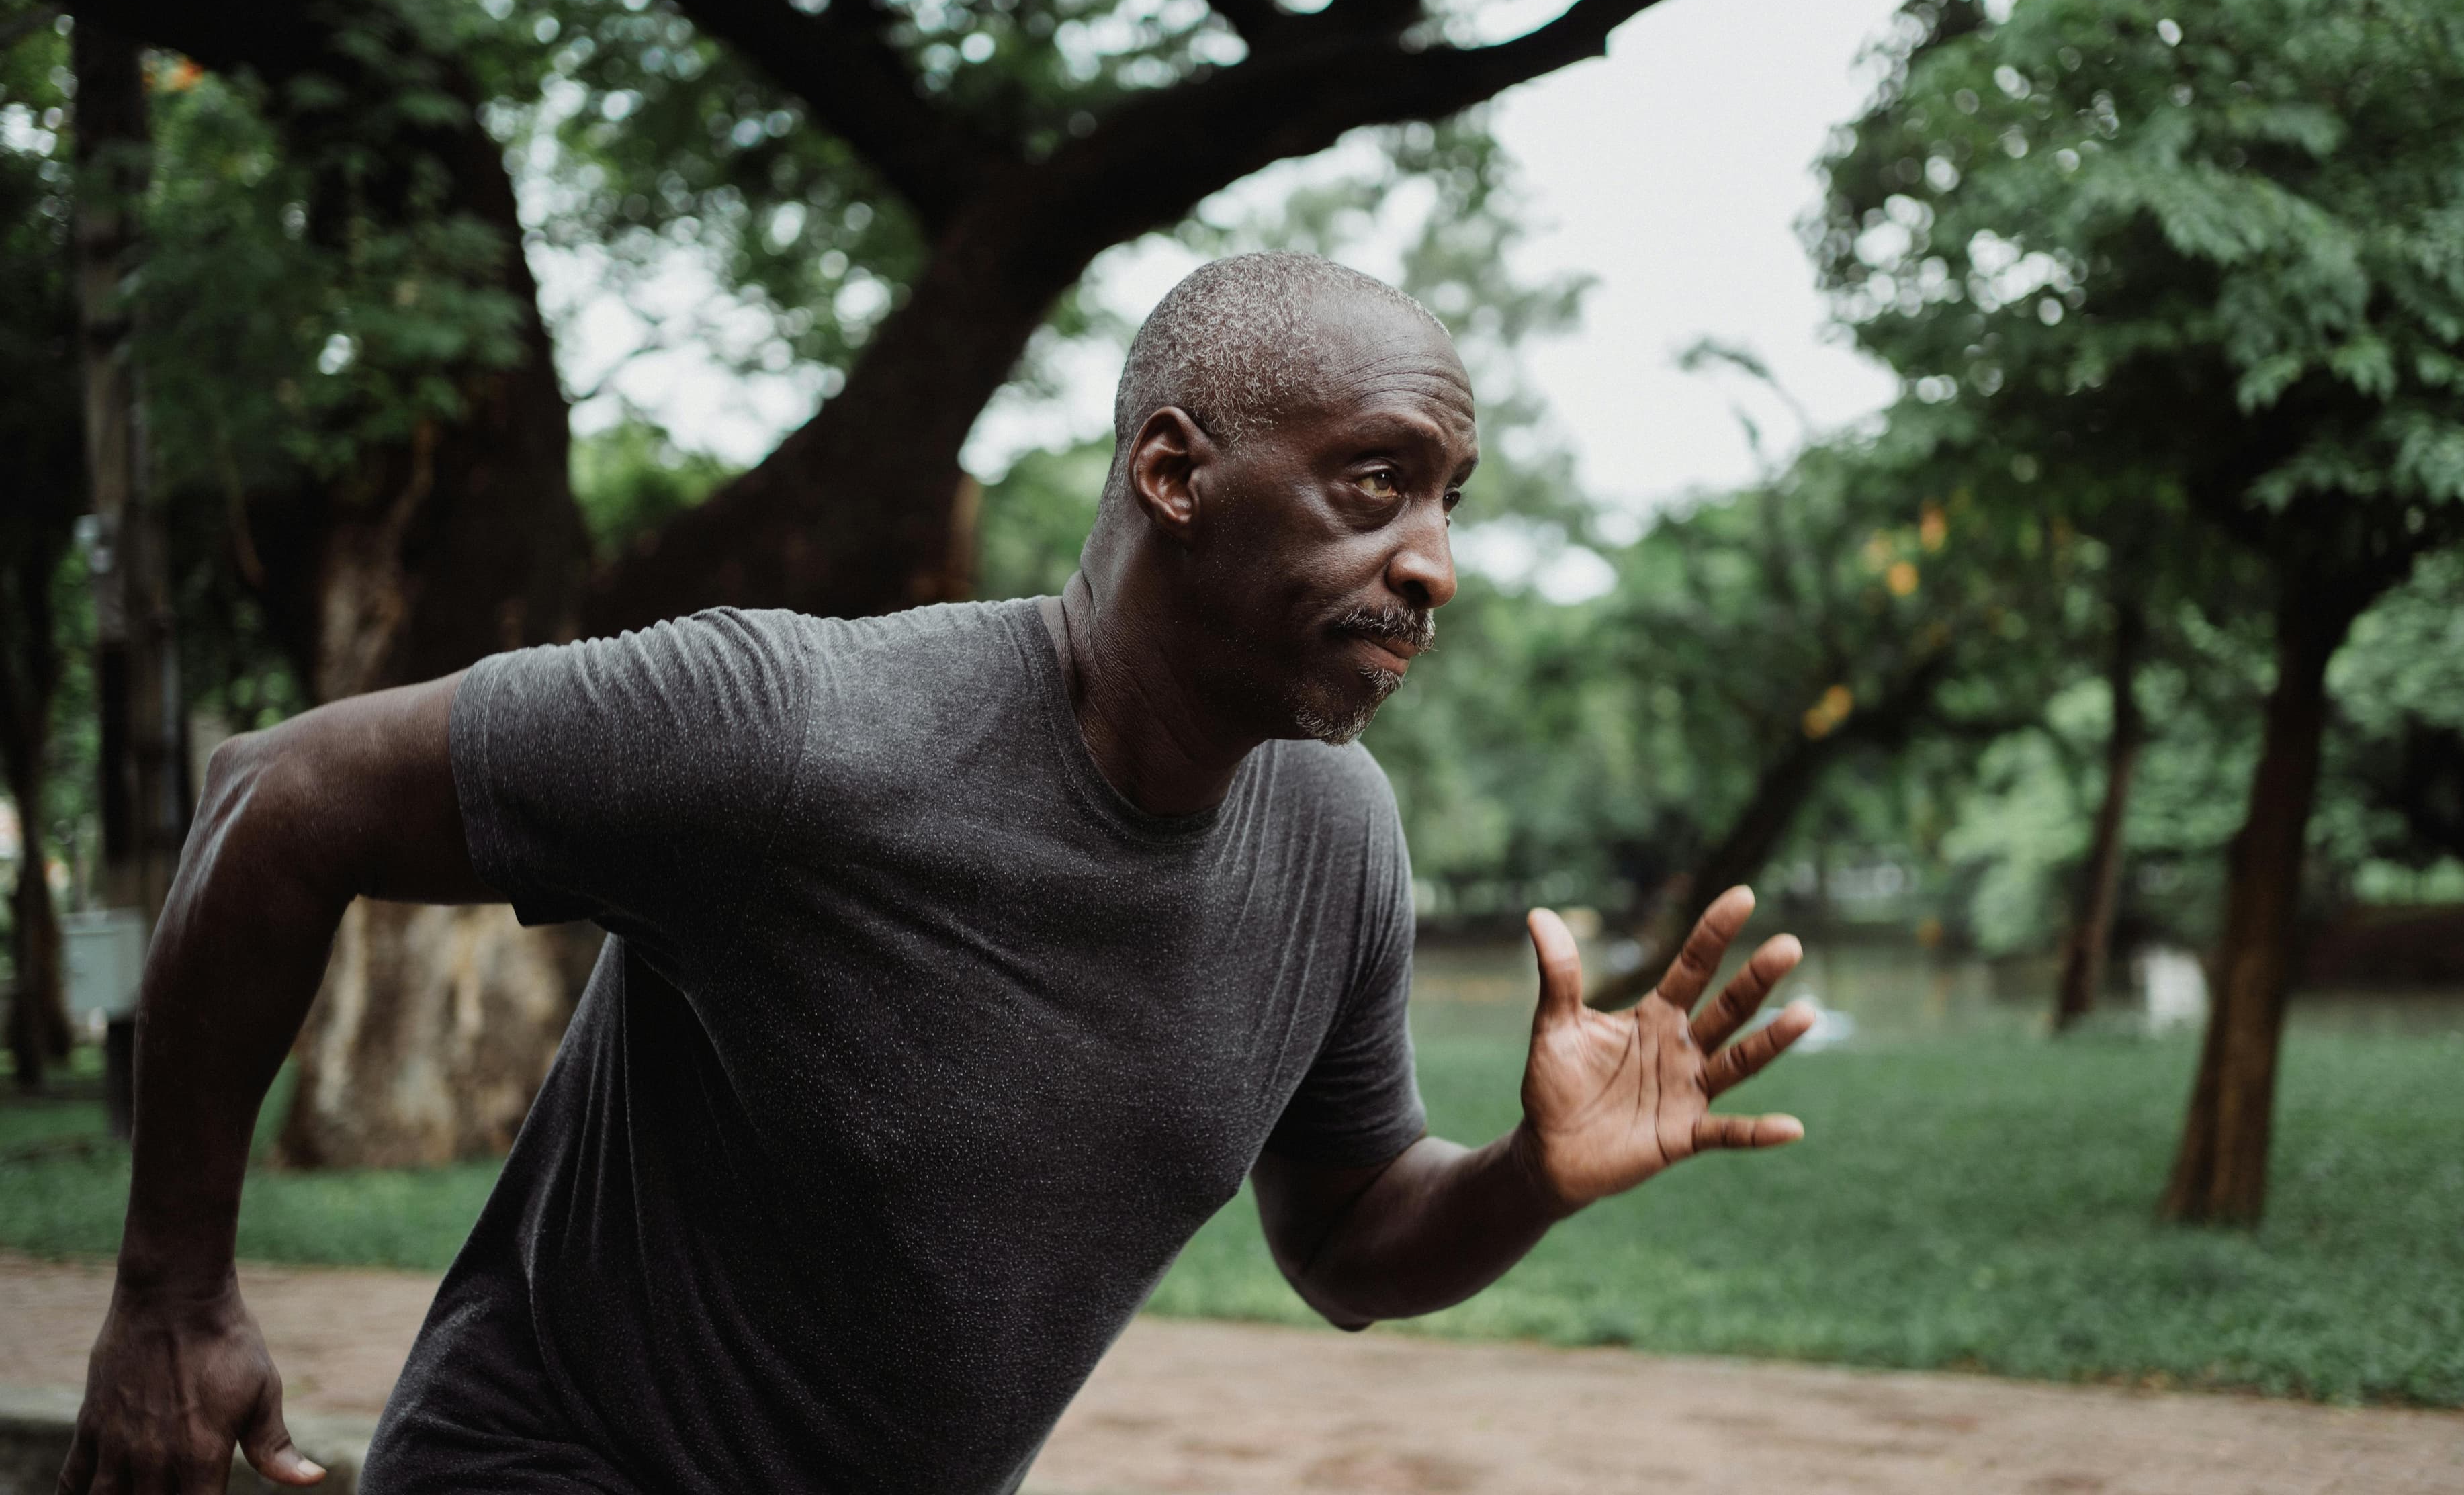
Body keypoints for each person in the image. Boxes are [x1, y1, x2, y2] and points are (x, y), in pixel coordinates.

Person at [60, 251, 1814, 1494]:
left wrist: (1531, 1174)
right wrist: (172, 1296)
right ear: (1174, 472)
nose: (1431, 565)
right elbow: (278, 793)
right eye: (1375, 485)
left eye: (1447, 503)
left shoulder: (1334, 838)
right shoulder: (794, 730)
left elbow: (1349, 1247)